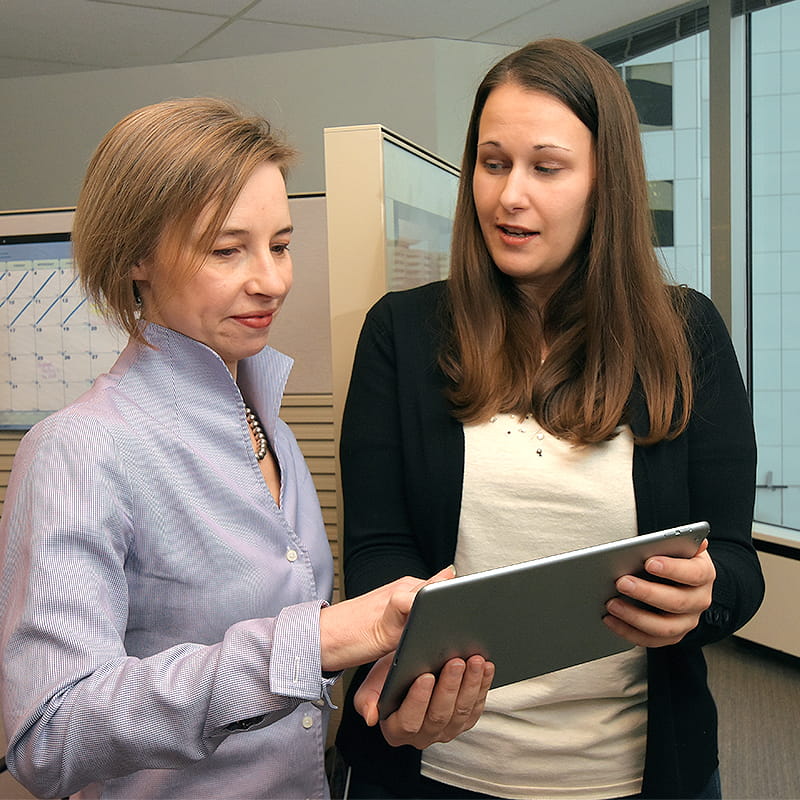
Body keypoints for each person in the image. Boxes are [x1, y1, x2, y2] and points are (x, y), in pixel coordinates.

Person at [0, 98, 493, 800]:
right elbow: (48, 735)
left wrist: (397, 669)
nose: (272, 280)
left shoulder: (270, 429)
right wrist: (313, 643)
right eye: (227, 250)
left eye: (281, 244)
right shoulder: (79, 451)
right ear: (137, 256)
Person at [334, 38, 765, 800]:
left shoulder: (685, 332)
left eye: (547, 167)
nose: (509, 197)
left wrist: (703, 597)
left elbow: (735, 561)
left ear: (607, 182)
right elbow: (378, 554)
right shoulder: (401, 333)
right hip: (440, 765)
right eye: (493, 164)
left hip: (634, 771)